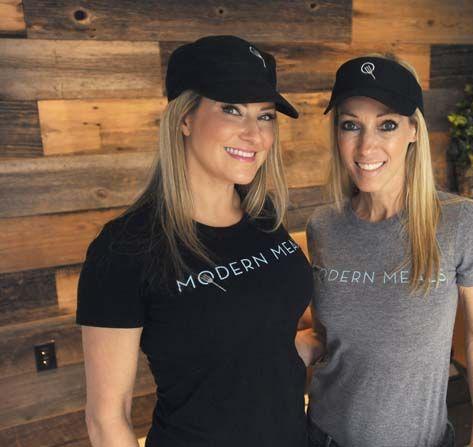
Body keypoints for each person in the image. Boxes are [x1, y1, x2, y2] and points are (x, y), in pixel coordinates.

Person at [77, 35, 313, 447]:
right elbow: (105, 419)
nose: (254, 136)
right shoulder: (124, 248)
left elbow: (252, 336)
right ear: (184, 118)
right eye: (231, 110)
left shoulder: (263, 216)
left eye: (265, 116)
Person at [295, 55, 473, 447]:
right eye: (350, 125)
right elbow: (328, 334)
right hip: (323, 436)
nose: (366, 145)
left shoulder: (460, 223)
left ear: (413, 131)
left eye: (386, 124)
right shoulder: (323, 227)